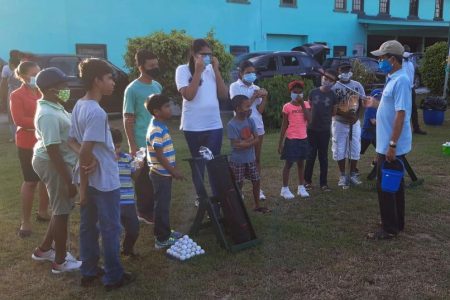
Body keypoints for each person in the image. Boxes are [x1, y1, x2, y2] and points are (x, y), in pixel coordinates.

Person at [69, 58, 134, 290]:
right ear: (97, 80)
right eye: (109, 78)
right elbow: (85, 149)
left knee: (88, 227)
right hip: (104, 181)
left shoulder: (79, 104)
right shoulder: (96, 112)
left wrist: (89, 159)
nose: (113, 83)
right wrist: (85, 185)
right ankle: (113, 276)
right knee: (110, 228)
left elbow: (71, 142)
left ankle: (89, 270)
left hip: (90, 177)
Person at [30, 67, 82, 273]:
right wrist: (69, 180)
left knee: (62, 208)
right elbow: (52, 150)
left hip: (58, 161)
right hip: (53, 163)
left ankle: (43, 250)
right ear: (51, 90)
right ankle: (60, 261)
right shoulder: (48, 114)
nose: (66, 89)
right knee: (61, 211)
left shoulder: (55, 105)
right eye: (63, 86)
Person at [366, 40, 412, 240]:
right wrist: (376, 103)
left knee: (385, 185)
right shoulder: (393, 78)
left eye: (382, 58)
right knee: (395, 184)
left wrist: (392, 145)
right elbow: (391, 108)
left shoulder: (401, 80)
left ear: (393, 60)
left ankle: (389, 228)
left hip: (391, 145)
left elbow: (401, 114)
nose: (380, 61)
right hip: (386, 143)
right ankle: (396, 222)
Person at [175, 39, 228, 202]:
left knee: (213, 163)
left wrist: (216, 70)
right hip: (193, 126)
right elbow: (189, 96)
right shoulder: (183, 70)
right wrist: (197, 72)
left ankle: (217, 197)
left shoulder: (212, 70)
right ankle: (201, 197)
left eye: (209, 54)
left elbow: (223, 95)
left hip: (213, 125)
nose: (207, 57)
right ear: (193, 54)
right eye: (203, 54)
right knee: (198, 164)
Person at [9, 61, 50, 237]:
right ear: (25, 76)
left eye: (39, 73)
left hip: (45, 140)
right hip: (26, 142)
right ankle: (25, 221)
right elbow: (19, 120)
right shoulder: (16, 95)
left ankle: (43, 212)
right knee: (31, 181)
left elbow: (58, 105)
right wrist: (41, 122)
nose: (38, 77)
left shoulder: (43, 92)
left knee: (45, 179)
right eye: (35, 74)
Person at [123, 49, 163, 224]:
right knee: (144, 178)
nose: (155, 68)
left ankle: (154, 207)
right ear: (141, 67)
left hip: (158, 139)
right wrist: (132, 145)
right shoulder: (132, 89)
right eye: (151, 65)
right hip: (141, 141)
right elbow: (128, 119)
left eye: (156, 64)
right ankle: (144, 211)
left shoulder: (157, 86)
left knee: (157, 175)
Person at [145, 94, 184, 249]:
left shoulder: (160, 124)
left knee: (164, 204)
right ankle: (161, 239)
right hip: (161, 174)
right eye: (166, 106)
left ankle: (165, 232)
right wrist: (173, 171)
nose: (170, 109)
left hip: (163, 173)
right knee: (162, 206)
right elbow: (160, 155)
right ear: (156, 111)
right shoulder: (156, 129)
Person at [229, 60, 268, 200]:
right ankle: (240, 190)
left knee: (256, 158)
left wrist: (264, 98)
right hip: (240, 127)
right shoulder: (234, 87)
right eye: (248, 72)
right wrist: (254, 96)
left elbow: (260, 111)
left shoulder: (256, 87)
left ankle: (258, 189)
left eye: (253, 72)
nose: (251, 75)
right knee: (240, 160)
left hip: (257, 126)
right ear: (241, 74)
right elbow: (239, 106)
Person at [228, 95, 270, 213]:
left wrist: (245, 142)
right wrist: (249, 140)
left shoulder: (250, 120)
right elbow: (236, 145)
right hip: (237, 161)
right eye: (247, 106)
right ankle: (238, 207)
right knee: (238, 183)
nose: (249, 108)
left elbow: (257, 139)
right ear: (237, 108)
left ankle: (257, 205)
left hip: (251, 158)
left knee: (256, 180)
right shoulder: (231, 125)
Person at [331, 63, 366, 189]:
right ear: (338, 71)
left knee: (355, 148)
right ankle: (342, 175)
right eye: (343, 70)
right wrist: (346, 115)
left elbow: (362, 101)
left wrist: (357, 117)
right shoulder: (334, 87)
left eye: (348, 70)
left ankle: (352, 174)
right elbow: (331, 107)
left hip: (354, 122)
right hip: (339, 122)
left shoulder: (357, 85)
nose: (346, 72)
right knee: (339, 148)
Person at [304, 69, 339, 192]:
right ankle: (307, 181)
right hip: (311, 129)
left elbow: (334, 112)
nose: (327, 81)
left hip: (324, 130)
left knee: (323, 157)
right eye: (325, 78)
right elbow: (308, 108)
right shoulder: (313, 92)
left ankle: (323, 183)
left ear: (334, 82)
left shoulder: (333, 95)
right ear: (321, 78)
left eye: (330, 80)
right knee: (310, 155)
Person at [278, 80, 311, 199]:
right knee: (289, 163)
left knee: (301, 163)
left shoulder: (306, 104)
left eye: (300, 92)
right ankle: (285, 189)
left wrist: (302, 104)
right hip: (291, 139)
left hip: (303, 138)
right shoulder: (287, 107)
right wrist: (280, 143)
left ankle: (301, 187)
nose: (297, 94)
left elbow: (309, 119)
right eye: (294, 92)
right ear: (290, 93)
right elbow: (284, 125)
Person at [111, 128, 141, 257]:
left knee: (134, 229)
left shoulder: (127, 158)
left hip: (128, 202)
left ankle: (128, 248)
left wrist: (139, 165)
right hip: (113, 203)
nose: (117, 150)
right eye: (114, 147)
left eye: (118, 146)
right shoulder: (104, 161)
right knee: (114, 231)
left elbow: (135, 177)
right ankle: (112, 254)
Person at [403, 44, 426, 135]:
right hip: (403, 90)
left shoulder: (410, 63)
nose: (407, 57)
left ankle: (416, 128)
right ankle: (403, 129)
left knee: (413, 109)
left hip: (411, 89)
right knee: (402, 109)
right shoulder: (400, 63)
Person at [1, 50, 22, 142]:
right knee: (21, 113)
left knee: (11, 115)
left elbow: (3, 84)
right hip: (22, 92)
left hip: (12, 93)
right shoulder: (23, 67)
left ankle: (14, 137)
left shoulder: (6, 68)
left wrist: (2, 97)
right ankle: (21, 134)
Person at [360, 89, 381, 180]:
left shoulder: (378, 107)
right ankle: (352, 167)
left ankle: (375, 163)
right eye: (377, 98)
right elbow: (373, 122)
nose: (378, 100)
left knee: (380, 151)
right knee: (358, 152)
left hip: (375, 134)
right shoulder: (370, 108)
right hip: (367, 135)